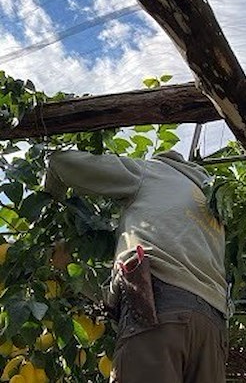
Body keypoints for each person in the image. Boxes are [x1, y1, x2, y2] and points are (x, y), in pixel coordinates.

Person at [44, 149, 228, 383]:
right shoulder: (210, 201)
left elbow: (61, 162)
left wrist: (51, 200)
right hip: (212, 329)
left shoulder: (151, 171)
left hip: (159, 314)